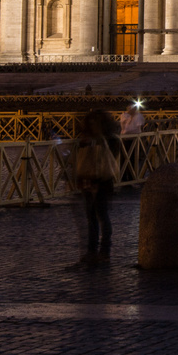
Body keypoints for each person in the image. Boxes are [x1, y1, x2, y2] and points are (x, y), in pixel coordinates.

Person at [74, 110, 118, 264]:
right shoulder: (88, 139)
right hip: (88, 181)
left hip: (102, 182)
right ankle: (92, 252)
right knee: (91, 218)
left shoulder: (108, 140)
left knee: (101, 217)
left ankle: (104, 252)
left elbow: (106, 160)